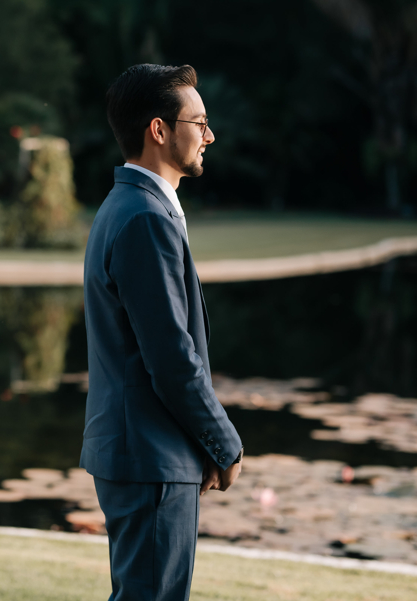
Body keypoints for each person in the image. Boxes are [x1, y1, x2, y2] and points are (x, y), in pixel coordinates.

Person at [81, 64, 243, 601]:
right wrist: (224, 443)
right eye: (198, 121)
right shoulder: (144, 217)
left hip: (146, 453)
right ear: (159, 130)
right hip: (150, 455)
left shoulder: (128, 207)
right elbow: (171, 356)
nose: (208, 134)